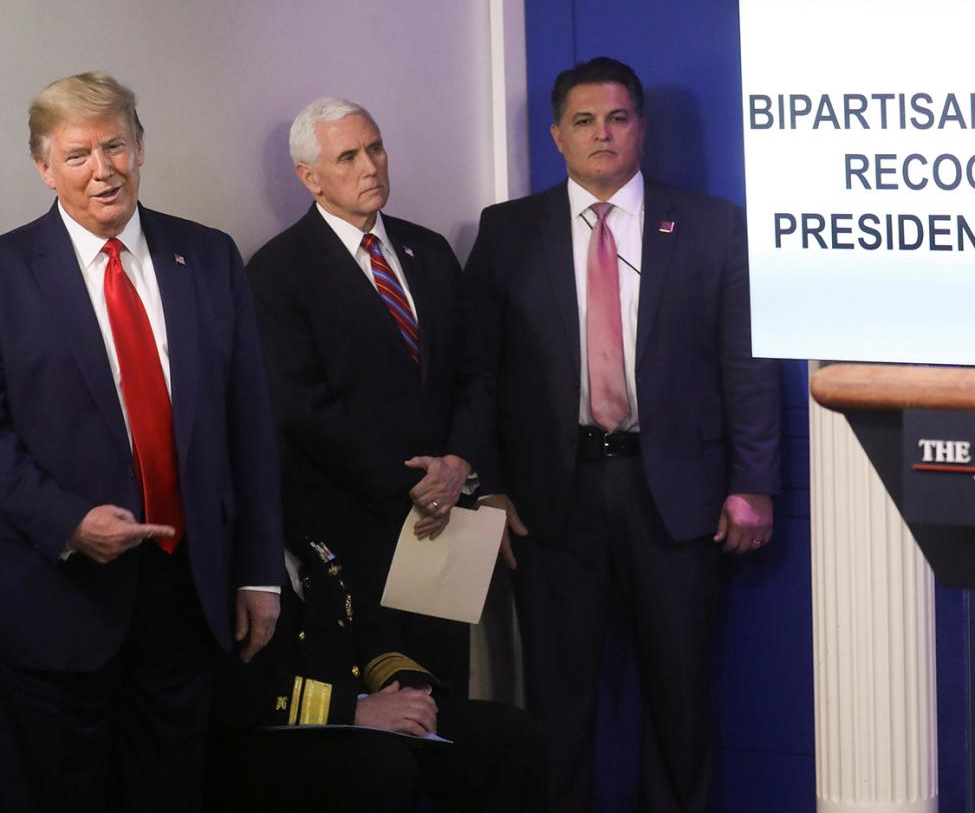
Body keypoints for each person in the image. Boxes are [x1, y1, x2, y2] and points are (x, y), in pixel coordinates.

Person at [452, 56, 781, 813]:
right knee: (558, 703)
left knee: (681, 697)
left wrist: (754, 480)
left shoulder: (710, 225)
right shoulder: (508, 232)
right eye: (584, 121)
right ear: (556, 136)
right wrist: (490, 485)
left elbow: (747, 365)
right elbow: (480, 372)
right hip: (550, 498)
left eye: (619, 118)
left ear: (641, 128)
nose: (603, 134)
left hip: (675, 495)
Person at [0, 71, 283, 812]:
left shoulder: (210, 256)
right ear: (43, 167)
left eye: (116, 146)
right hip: (58, 599)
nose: (103, 170)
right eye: (78, 154)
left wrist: (259, 570)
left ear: (141, 147)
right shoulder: (5, 273)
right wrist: (66, 521)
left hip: (188, 592)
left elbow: (249, 423)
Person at [246, 98, 476, 696]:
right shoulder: (277, 272)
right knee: (385, 717)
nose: (370, 166)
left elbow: (473, 372)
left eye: (374, 148)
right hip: (353, 530)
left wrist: (458, 464)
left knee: (450, 701)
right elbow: (300, 406)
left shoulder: (429, 251)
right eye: (347, 156)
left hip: (448, 520)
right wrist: (411, 481)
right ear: (310, 177)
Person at [205, 531, 546, 813]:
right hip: (270, 733)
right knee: (384, 767)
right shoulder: (213, 555)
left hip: (356, 711)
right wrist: (352, 710)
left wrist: (407, 688)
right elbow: (229, 690)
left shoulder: (300, 527)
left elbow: (363, 620)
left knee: (512, 735)